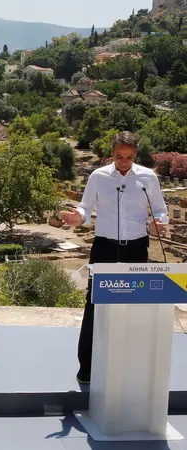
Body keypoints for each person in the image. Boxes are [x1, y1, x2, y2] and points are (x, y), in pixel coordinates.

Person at [60, 131, 169, 385]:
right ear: (112, 153)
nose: (124, 162)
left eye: (129, 157)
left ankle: (129, 366)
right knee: (94, 304)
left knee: (134, 306)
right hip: (105, 248)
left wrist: (158, 223)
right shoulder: (98, 177)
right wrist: (78, 217)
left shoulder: (148, 177)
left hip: (136, 249)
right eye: (119, 156)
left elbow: (160, 210)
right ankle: (87, 368)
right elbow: (86, 207)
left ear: (136, 154)